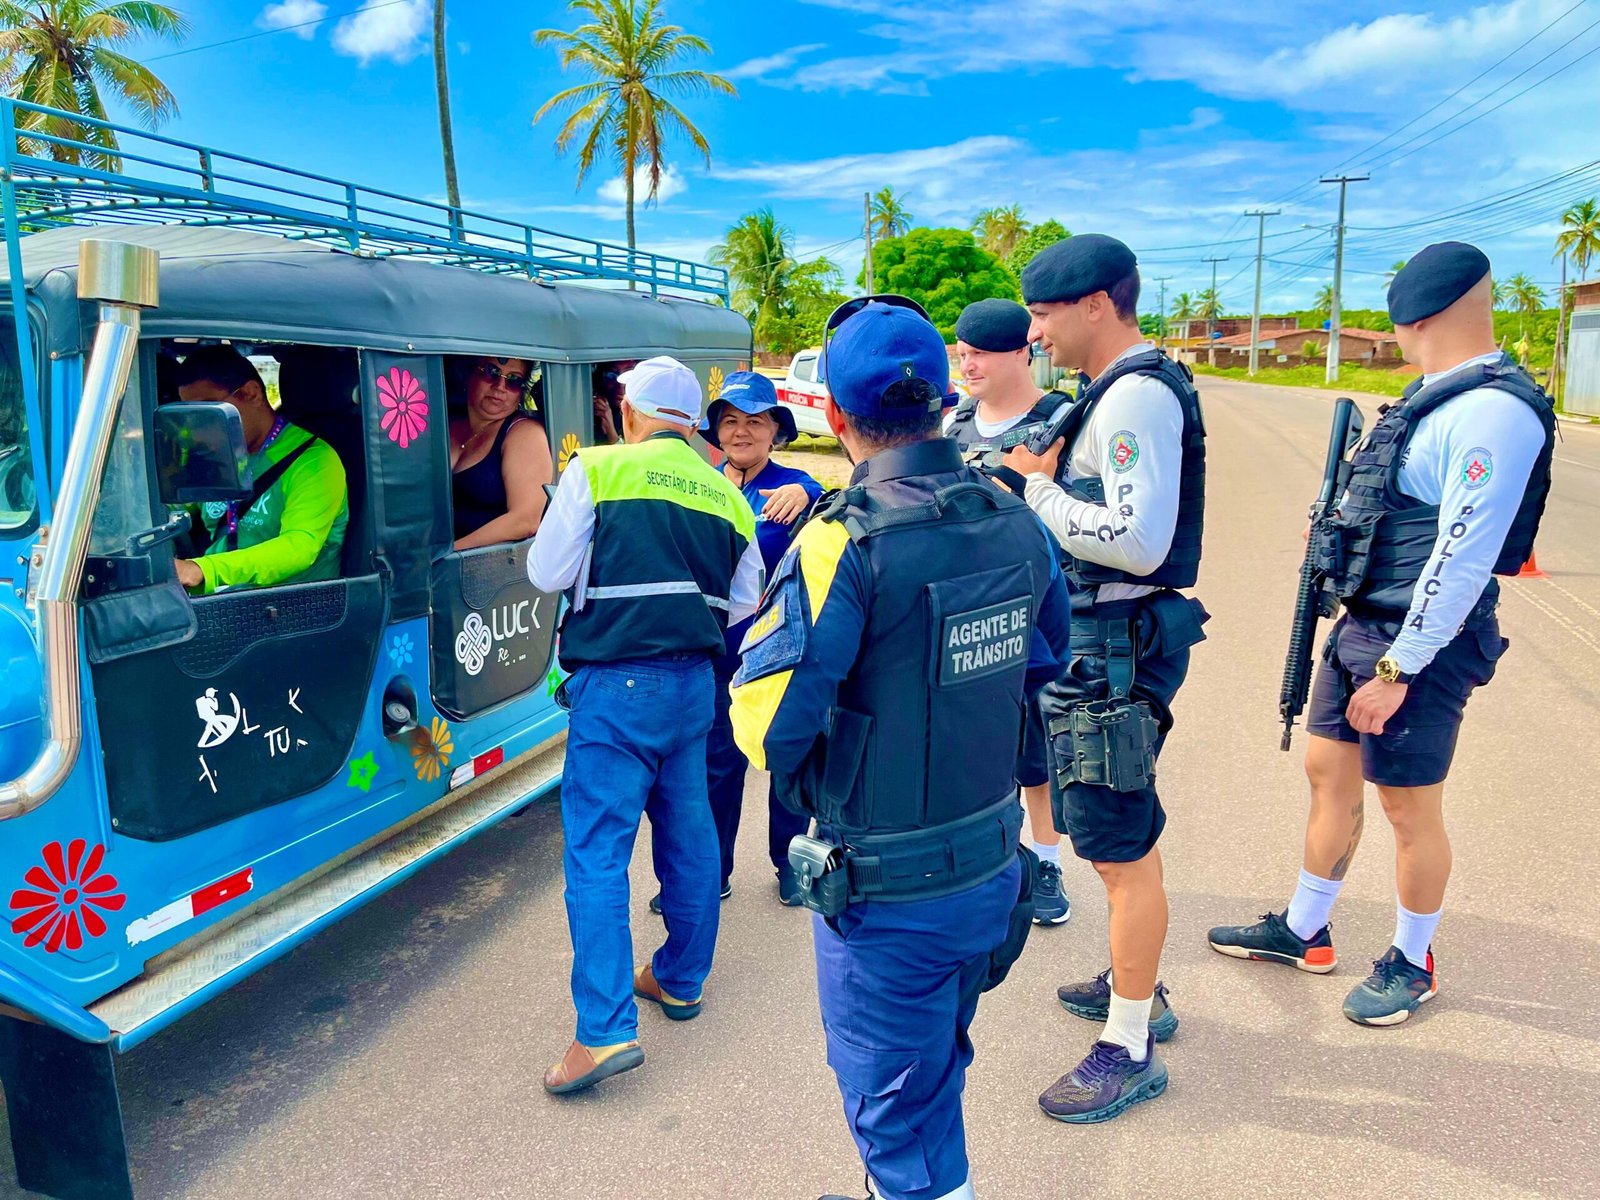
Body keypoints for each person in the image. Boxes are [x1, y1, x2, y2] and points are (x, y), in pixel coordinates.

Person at [731, 297, 1073, 1200]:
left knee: (894, 1112)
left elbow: (766, 727)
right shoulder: (1014, 516)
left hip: (890, 893)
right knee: (931, 1075)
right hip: (990, 867)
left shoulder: (840, 539)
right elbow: (1047, 663)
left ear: (834, 417)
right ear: (940, 404)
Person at [1207, 242, 1555, 1025]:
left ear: (1419, 315)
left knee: (1407, 804)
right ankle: (1304, 929)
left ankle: (1413, 957)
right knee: (1329, 771)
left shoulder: (1493, 410)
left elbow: (1463, 559)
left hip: (1420, 644)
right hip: (1366, 625)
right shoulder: (1429, 395)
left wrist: (1398, 669)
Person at [1002, 234, 1208, 1122]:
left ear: (1095, 304)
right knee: (1114, 835)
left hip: (1117, 646)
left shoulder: (1133, 399)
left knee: (1117, 848)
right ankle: (1140, 982)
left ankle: (1130, 1043)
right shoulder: (1111, 393)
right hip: (1107, 636)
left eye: (1043, 314)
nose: (1035, 332)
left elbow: (1139, 538)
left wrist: (1037, 493)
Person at [528, 355, 764, 1095]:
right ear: (693, 424)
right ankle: (682, 979)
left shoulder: (597, 470)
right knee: (689, 833)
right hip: (695, 685)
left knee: (598, 854)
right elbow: (747, 596)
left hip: (615, 684)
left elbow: (544, 572)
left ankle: (602, 1033)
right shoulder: (726, 494)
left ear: (629, 412)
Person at [644, 370, 822, 915]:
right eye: (730, 421)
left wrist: (810, 489)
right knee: (717, 764)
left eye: (755, 422)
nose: (741, 432)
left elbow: (843, 507)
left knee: (788, 757)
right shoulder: (698, 483)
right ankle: (711, 871)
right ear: (714, 431)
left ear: (776, 431)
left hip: (783, 651)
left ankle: (790, 863)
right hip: (715, 652)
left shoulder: (797, 488)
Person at [946, 297, 1073, 927]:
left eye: (981, 353)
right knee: (978, 743)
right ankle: (991, 855)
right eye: (962, 352)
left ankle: (1047, 862)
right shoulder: (955, 427)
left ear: (1021, 350)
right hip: (971, 610)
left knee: (1040, 750)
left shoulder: (1061, 422)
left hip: (1045, 607)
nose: (967, 364)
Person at [173, 345, 347, 594]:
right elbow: (177, 504)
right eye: (191, 415)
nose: (199, 428)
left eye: (209, 411)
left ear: (251, 393)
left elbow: (298, 548)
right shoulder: (214, 452)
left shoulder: (315, 461)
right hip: (216, 600)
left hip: (285, 610)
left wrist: (202, 570)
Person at [450, 356, 553, 549]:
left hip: (484, 567)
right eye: (492, 372)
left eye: (514, 380)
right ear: (469, 375)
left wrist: (450, 551)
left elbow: (525, 521)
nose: (500, 386)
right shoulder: (449, 425)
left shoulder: (524, 432)